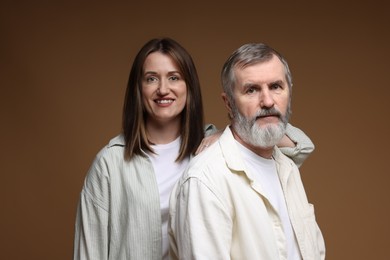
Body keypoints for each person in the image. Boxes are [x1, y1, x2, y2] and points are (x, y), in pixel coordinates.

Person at [73, 38, 315, 260]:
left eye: (174, 77)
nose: (163, 89)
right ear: (139, 89)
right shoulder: (111, 162)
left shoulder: (210, 144)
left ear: (189, 87)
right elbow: (89, 250)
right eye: (151, 78)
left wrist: (232, 130)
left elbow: (300, 146)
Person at [169, 43, 325, 259]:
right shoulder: (205, 179)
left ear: (289, 92)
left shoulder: (287, 168)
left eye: (276, 86)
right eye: (251, 90)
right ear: (229, 103)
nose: (268, 101)